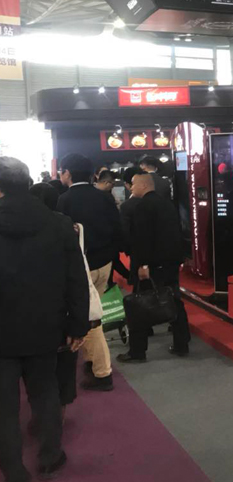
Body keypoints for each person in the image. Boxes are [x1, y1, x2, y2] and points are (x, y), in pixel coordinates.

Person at [0, 157, 89, 482]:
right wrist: (78, 324)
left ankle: (13, 469)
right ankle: (50, 456)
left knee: (4, 407)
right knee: (46, 392)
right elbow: (76, 279)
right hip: (45, 325)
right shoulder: (58, 223)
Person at [29, 183, 104, 420]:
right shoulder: (70, 227)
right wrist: (78, 324)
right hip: (65, 310)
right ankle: (57, 415)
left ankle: (44, 417)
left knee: (37, 370)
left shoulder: (27, 229)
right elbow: (77, 279)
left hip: (34, 314)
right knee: (63, 365)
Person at [57, 153, 120, 391]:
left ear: (68, 173)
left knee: (89, 319)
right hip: (105, 263)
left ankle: (102, 373)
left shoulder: (64, 200)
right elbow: (117, 229)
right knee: (93, 312)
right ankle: (93, 362)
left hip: (82, 267)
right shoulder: (104, 197)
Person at [118, 173, 191, 362]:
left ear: (143, 185)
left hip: (151, 265)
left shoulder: (142, 207)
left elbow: (143, 239)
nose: (131, 188)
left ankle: (137, 352)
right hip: (170, 262)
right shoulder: (167, 204)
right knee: (174, 301)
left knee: (138, 306)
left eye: (134, 184)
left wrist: (143, 264)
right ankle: (182, 343)